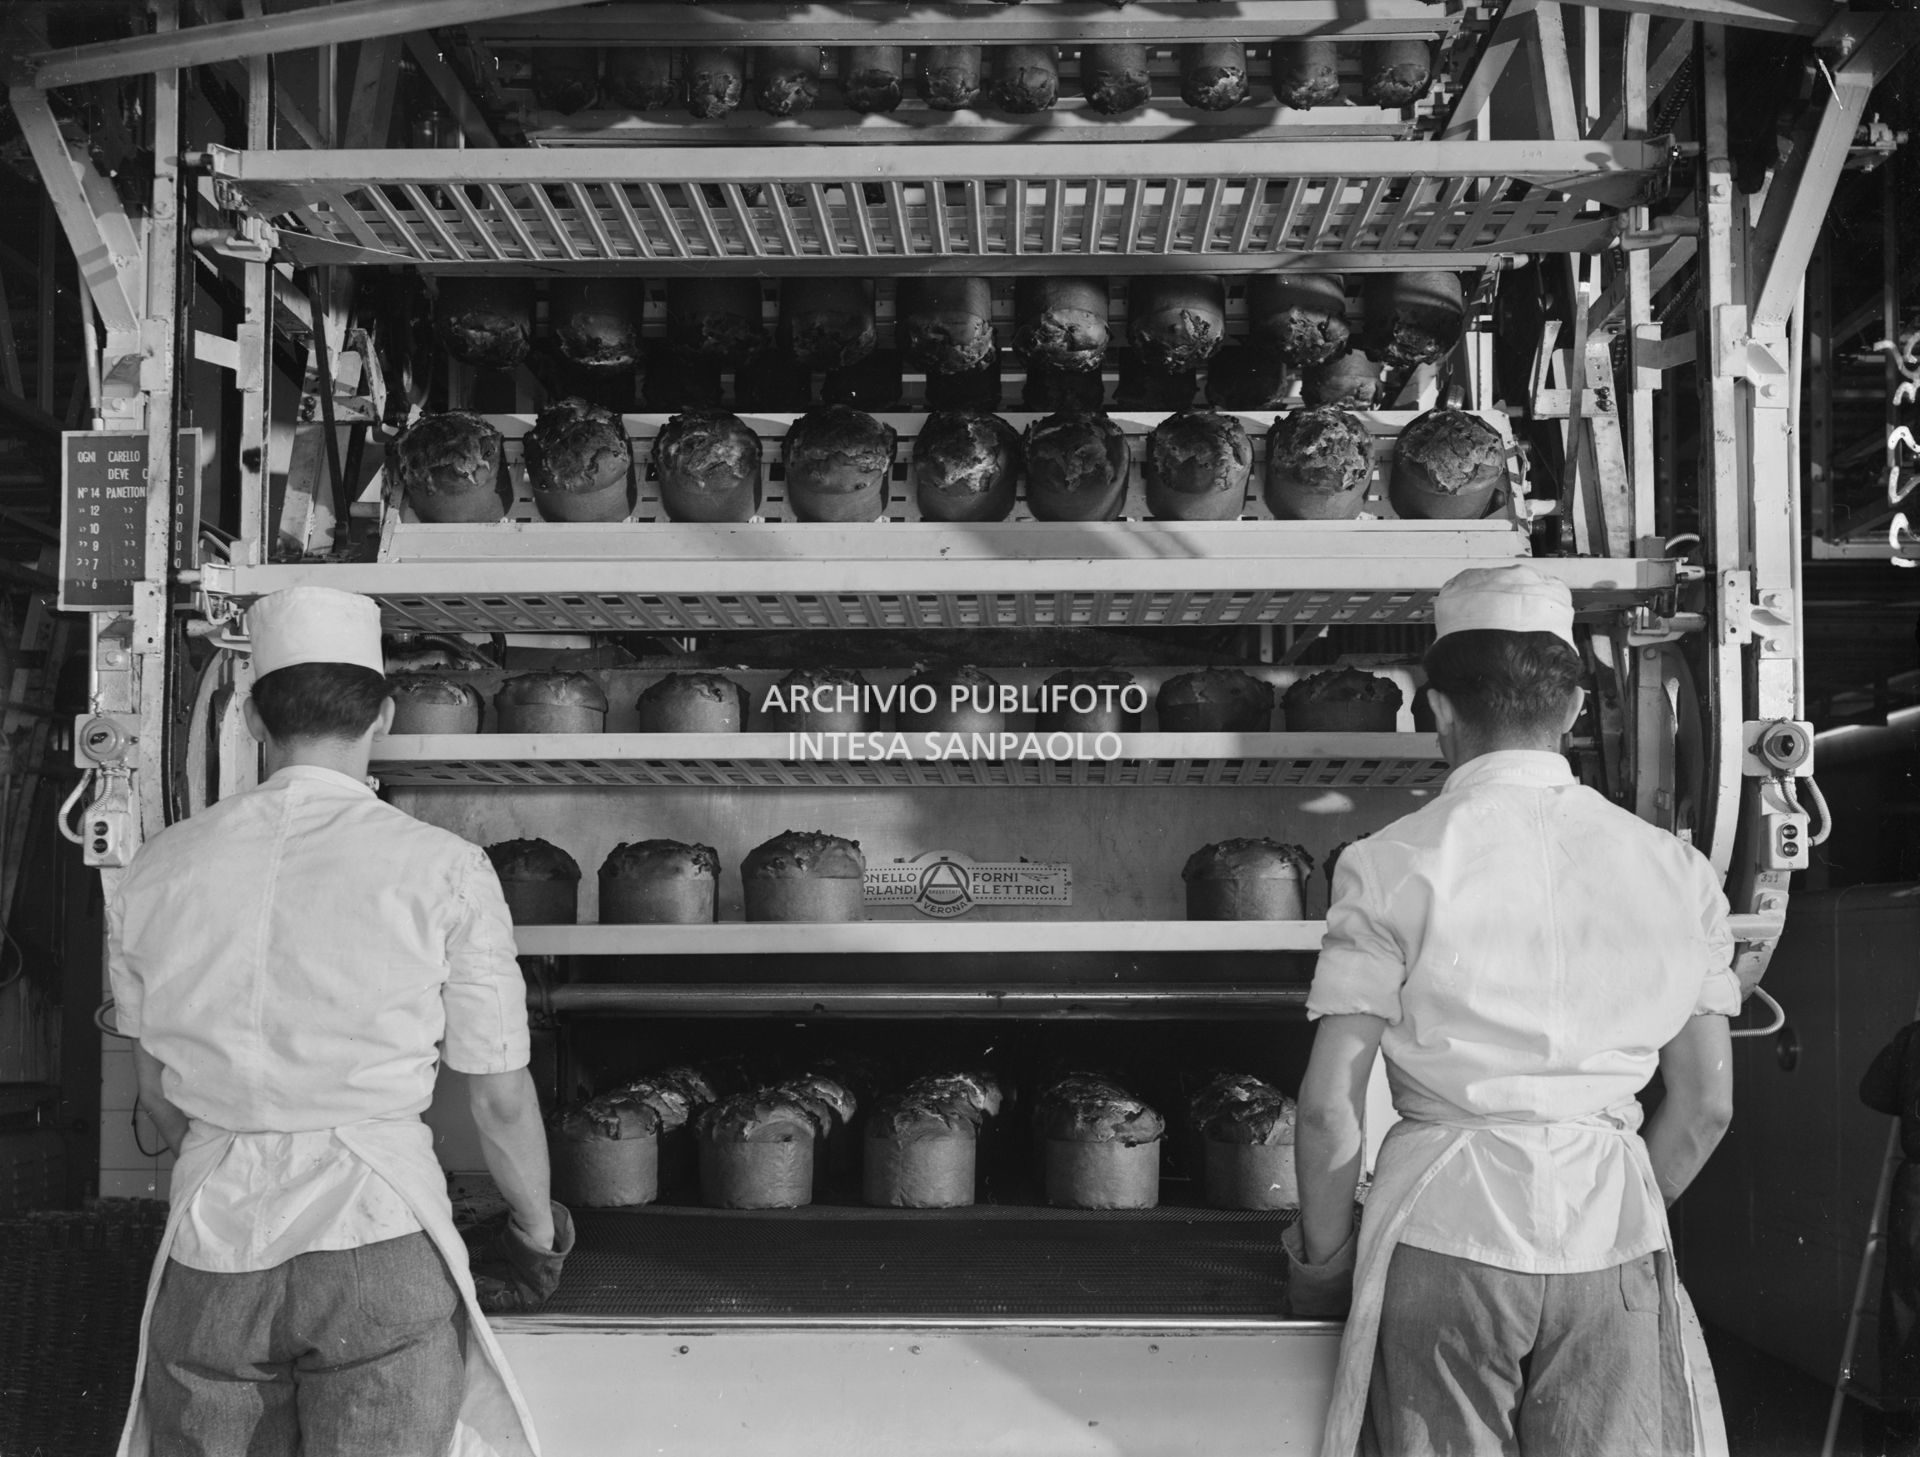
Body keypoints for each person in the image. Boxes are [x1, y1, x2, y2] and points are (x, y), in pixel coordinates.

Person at [1289, 563, 1740, 1457]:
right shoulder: (1676, 870)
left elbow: (1328, 1106)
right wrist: (1602, 1209)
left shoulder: (1388, 862)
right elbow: (1706, 1107)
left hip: (1442, 1235)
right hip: (1612, 1235)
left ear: (1439, 711)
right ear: (1573, 710)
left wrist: (1324, 1265)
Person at [108, 585, 571, 1457]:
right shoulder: (443, 867)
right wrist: (534, 1230)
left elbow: (157, 1097)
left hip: (212, 1252)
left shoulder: (156, 868)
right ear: (384, 715)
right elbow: (500, 1098)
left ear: (251, 718)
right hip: (378, 1238)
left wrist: (249, 1153)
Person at [1860, 1019, 1920, 1447]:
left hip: (1917, 1184)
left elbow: (1874, 1091)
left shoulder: (1916, 1034)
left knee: (1905, 1299)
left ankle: (1903, 1424)